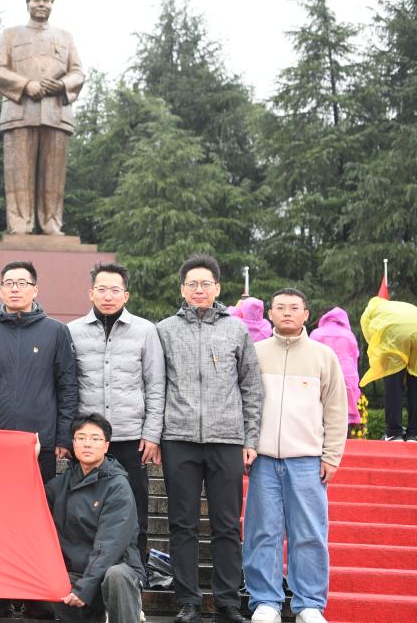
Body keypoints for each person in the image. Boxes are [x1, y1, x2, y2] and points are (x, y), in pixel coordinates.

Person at [155, 253, 263, 623]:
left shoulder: (236, 330)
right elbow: (156, 385)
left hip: (226, 439)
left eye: (205, 284)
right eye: (192, 284)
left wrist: (250, 438)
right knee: (182, 524)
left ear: (217, 288)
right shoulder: (165, 330)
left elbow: (251, 388)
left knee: (227, 524)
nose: (198, 290)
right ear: (182, 289)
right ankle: (187, 601)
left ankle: (228, 602)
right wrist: (155, 436)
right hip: (178, 438)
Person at [0, 260, 79, 619]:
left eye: (22, 283)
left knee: (38, 521)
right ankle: (0, 591)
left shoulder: (56, 332)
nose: (15, 288)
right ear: (0, 290)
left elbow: (67, 386)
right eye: (9, 283)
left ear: (35, 289)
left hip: (38, 445)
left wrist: (63, 435)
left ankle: (36, 593)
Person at [245, 289, 347, 623]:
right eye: (280, 307)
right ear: (270, 315)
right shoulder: (255, 353)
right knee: (262, 532)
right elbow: (244, 403)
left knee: (309, 533)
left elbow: (336, 409)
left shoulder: (323, 356)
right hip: (263, 459)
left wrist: (331, 455)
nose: (287, 312)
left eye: (294, 307)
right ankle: (265, 601)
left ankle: (309, 604)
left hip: (307, 460)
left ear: (306, 315)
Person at [67, 261, 164, 562]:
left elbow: (155, 384)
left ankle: (135, 570)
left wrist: (152, 434)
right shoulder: (72, 332)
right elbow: (68, 386)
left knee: (134, 506)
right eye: (101, 289)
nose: (108, 296)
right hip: (87, 440)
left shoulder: (145, 331)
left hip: (130, 437)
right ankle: (85, 570)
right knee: (83, 509)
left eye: (114, 290)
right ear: (91, 293)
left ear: (126, 295)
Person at [0, 0, 85, 235]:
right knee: (19, 172)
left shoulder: (65, 37)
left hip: (56, 113)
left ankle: (51, 223)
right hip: (20, 111)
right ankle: (20, 224)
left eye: (46, 1)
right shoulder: (10, 35)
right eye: (37, 0)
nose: (41, 4)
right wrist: (26, 85)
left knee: (54, 175)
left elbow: (78, 73)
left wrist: (62, 85)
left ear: (52, 5)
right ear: (28, 4)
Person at [46, 414, 146, 623]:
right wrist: (31, 457)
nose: (87, 444)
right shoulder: (60, 484)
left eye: (95, 438)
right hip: (78, 573)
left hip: (116, 570)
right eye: (81, 438)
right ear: (73, 443)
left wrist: (85, 587)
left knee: (116, 575)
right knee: (47, 579)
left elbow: (110, 545)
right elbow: (31, 505)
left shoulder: (117, 485)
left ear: (106, 446)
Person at [358, 297, 417, 441]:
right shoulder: (401, 306)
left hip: (394, 335)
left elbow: (371, 338)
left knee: (393, 385)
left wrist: (380, 353)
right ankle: (414, 434)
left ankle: (394, 433)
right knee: (415, 383)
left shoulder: (370, 310)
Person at [310, 307, 363, 433]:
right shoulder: (349, 335)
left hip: (321, 374)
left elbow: (310, 357)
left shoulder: (316, 333)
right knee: (343, 412)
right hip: (346, 377)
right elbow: (355, 357)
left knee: (320, 411)